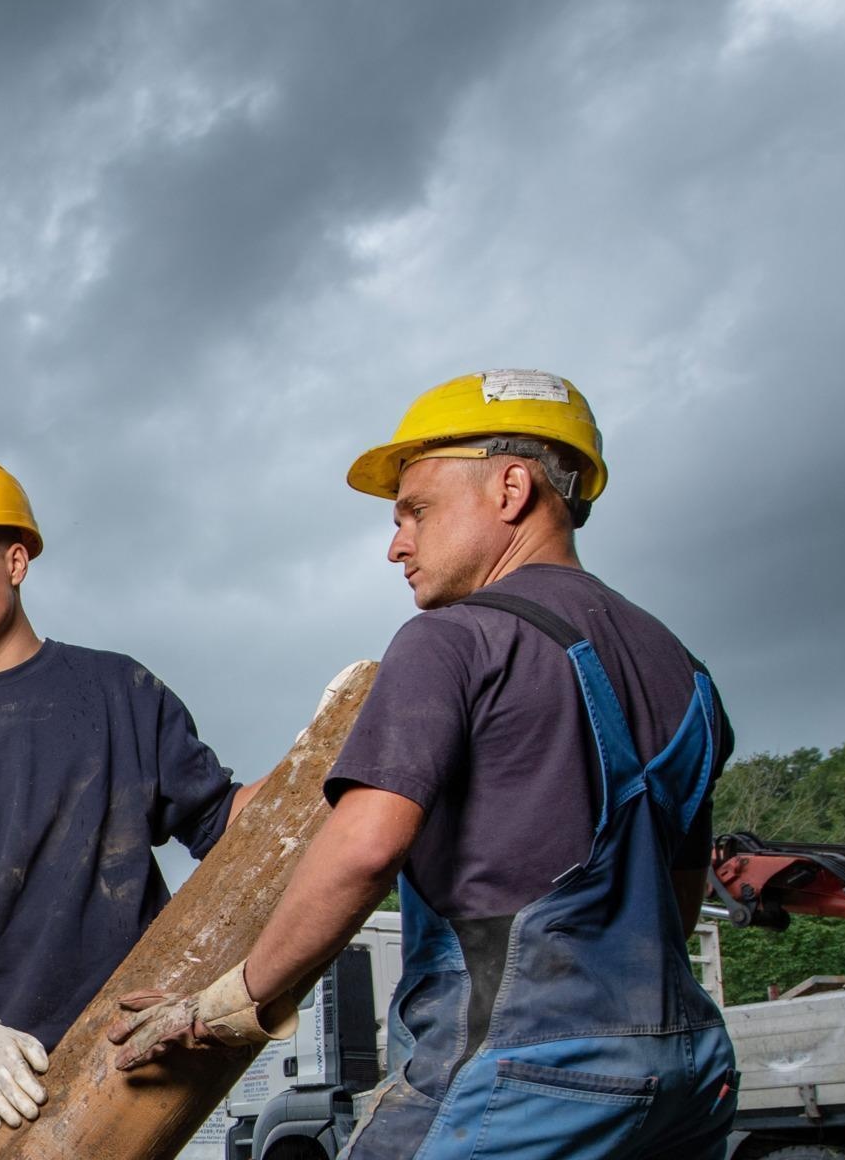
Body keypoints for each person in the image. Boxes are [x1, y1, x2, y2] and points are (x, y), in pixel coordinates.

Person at [106, 370, 736, 1158]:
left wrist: (235, 1001)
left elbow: (367, 845)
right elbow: (676, 899)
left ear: (511, 489)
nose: (396, 543)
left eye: (416, 510)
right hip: (685, 1071)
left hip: (522, 1077)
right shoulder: (686, 670)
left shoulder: (454, 640)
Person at [0, 457, 254, 1160]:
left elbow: (224, 823)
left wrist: (326, 765)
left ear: (15, 562)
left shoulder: (118, 691)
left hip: (118, 1051)